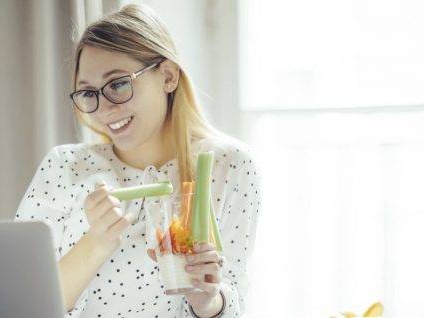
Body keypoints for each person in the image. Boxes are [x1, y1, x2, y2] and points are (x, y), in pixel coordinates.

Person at [15, 4, 260, 318]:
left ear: (168, 76)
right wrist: (97, 242)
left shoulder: (229, 165)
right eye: (89, 93)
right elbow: (21, 303)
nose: (104, 109)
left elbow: (234, 299)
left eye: (118, 84)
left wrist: (207, 300)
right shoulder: (64, 166)